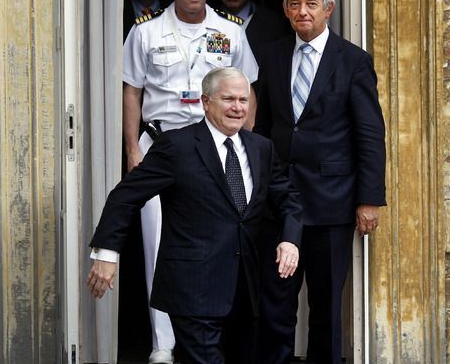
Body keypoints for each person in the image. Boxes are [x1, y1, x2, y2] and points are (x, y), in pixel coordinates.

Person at [87, 67, 302, 364]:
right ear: (206, 101)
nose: (238, 107)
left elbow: (288, 198)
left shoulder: (260, 147)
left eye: (243, 99)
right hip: (193, 288)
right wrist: (107, 253)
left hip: (246, 290)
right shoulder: (177, 146)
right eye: (228, 99)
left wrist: (290, 240)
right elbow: (126, 196)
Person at [116, 0, 259, 364]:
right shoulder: (146, 31)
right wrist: (131, 148)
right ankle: (163, 343)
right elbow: (133, 90)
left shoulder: (229, 31)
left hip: (215, 146)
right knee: (158, 245)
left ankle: (213, 336)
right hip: (161, 144)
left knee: (216, 240)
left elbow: (248, 89)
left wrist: (245, 144)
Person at [254, 0, 386, 364]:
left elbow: (369, 134)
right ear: (285, 9)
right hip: (280, 200)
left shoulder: (353, 61)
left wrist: (369, 199)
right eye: (295, 5)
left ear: (328, 9)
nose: (303, 12)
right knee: (275, 303)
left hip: (332, 202)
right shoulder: (273, 54)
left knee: (327, 308)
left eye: (311, 4)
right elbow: (263, 128)